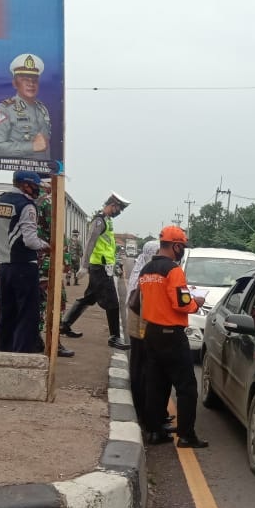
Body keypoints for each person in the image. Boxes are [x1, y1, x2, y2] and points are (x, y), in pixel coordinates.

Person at [138, 225, 208, 448]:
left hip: (151, 333)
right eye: (182, 247)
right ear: (176, 246)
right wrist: (196, 302)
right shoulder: (173, 270)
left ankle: (155, 432)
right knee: (187, 387)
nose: (183, 250)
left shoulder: (146, 269)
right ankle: (186, 435)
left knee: (156, 384)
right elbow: (181, 303)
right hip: (171, 335)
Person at [60, 192, 131, 350]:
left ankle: (65, 324)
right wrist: (84, 266)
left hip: (103, 267)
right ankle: (114, 337)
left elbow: (108, 247)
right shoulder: (99, 221)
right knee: (113, 302)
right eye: (118, 209)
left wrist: (115, 265)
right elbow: (90, 243)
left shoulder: (107, 222)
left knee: (89, 298)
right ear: (112, 205)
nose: (118, 212)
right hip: (99, 268)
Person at [0, 170, 50, 353]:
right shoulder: (27, 206)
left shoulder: (0, 202)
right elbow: (30, 240)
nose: (37, 191)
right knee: (27, 314)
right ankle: (22, 353)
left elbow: (13, 223)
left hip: (5, 266)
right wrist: (46, 246)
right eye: (35, 187)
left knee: (6, 313)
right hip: (24, 266)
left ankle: (4, 351)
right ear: (26, 185)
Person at [33, 176, 73, 357]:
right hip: (48, 260)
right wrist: (65, 260)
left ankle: (35, 339)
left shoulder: (31, 200)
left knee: (36, 302)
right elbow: (56, 233)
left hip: (32, 260)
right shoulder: (48, 203)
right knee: (56, 301)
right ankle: (54, 343)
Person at [0, 53, 51, 159]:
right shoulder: (5, 109)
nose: (31, 84)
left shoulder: (42, 109)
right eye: (25, 79)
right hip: (17, 172)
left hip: (42, 173)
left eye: (34, 80)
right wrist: (32, 147)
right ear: (15, 83)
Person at [126, 239, 161, 425]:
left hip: (136, 323)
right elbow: (143, 302)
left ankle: (142, 407)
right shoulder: (147, 273)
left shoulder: (141, 268)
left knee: (138, 365)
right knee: (144, 368)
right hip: (141, 324)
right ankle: (144, 410)